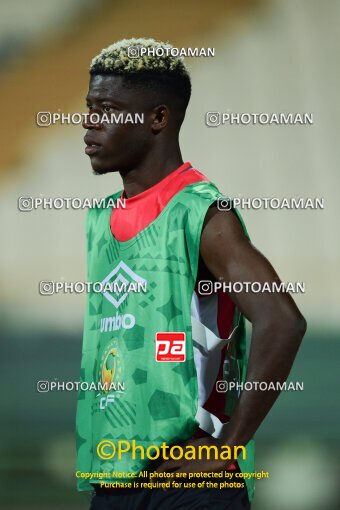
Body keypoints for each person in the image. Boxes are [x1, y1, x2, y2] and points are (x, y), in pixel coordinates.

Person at [76, 37, 306, 510]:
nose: (89, 122)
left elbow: (282, 321)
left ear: (158, 119)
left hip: (189, 485)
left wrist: (229, 447)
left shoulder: (202, 213)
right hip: (114, 478)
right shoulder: (100, 218)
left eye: (107, 109)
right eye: (89, 107)